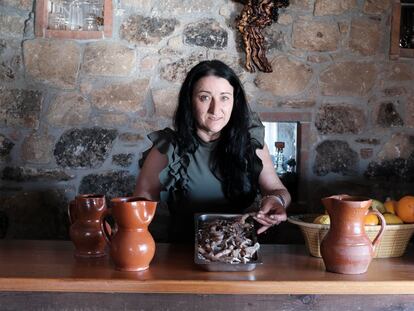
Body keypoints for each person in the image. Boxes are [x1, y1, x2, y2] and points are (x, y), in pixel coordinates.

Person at [134, 60, 291, 243]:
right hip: (182, 257)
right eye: (204, 97)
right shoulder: (167, 148)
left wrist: (277, 201)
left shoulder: (250, 141)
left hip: (240, 253)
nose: (215, 109)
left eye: (224, 97)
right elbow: (138, 205)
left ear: (234, 101)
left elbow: (277, 189)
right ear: (190, 101)